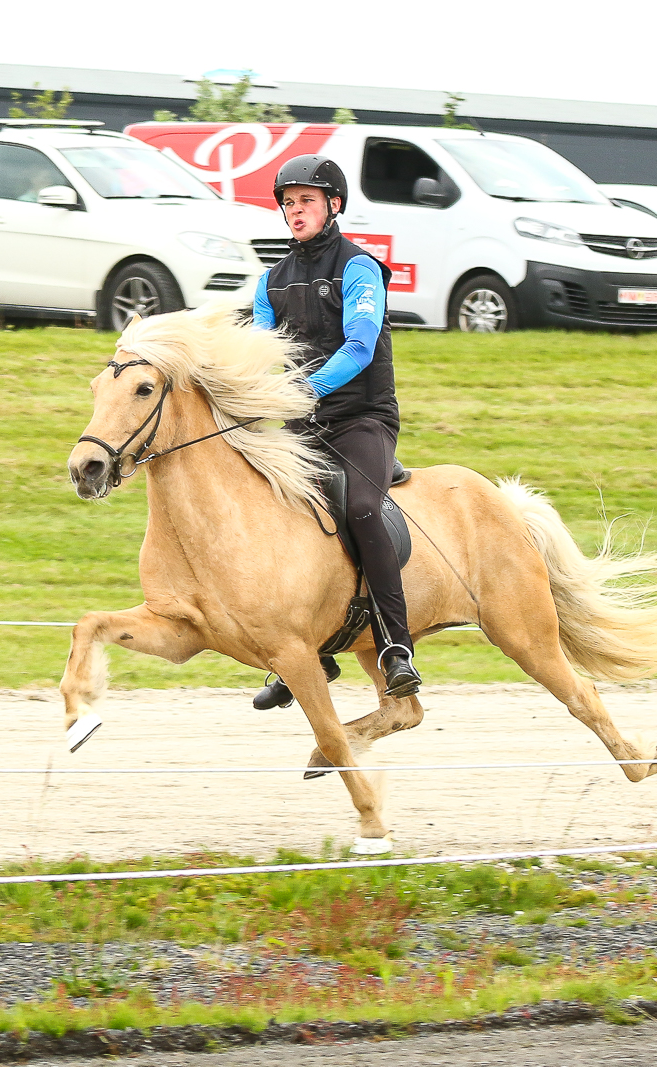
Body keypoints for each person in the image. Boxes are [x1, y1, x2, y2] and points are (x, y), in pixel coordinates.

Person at [250, 154, 421, 708]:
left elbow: (359, 345)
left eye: (305, 201)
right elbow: (254, 353)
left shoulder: (359, 269)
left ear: (334, 205)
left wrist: (307, 390)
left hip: (362, 418)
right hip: (302, 425)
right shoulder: (270, 282)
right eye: (287, 203)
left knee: (363, 510)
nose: (294, 211)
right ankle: (306, 651)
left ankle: (398, 647)